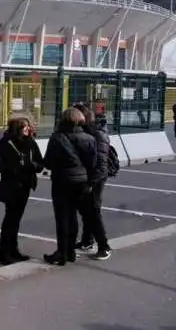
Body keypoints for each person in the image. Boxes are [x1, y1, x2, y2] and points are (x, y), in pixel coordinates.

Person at [0, 114, 44, 265]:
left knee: (16, 220)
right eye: (25, 127)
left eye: (28, 127)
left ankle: (14, 249)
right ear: (18, 129)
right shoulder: (6, 142)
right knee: (10, 219)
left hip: (25, 185)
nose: (28, 129)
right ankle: (3, 252)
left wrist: (34, 166)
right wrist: (6, 169)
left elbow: (40, 162)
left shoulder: (30, 142)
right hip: (11, 185)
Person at [43, 108, 97, 266]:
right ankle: (71, 251)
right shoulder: (89, 138)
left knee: (62, 218)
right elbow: (92, 163)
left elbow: (49, 162)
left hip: (62, 181)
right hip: (81, 181)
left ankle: (62, 252)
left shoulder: (57, 137)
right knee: (73, 217)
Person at [73, 104, 113, 261]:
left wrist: (90, 182)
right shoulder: (88, 131)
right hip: (89, 175)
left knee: (93, 210)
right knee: (85, 209)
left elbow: (101, 164)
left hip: (96, 177)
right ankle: (87, 241)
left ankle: (104, 246)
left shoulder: (97, 133)